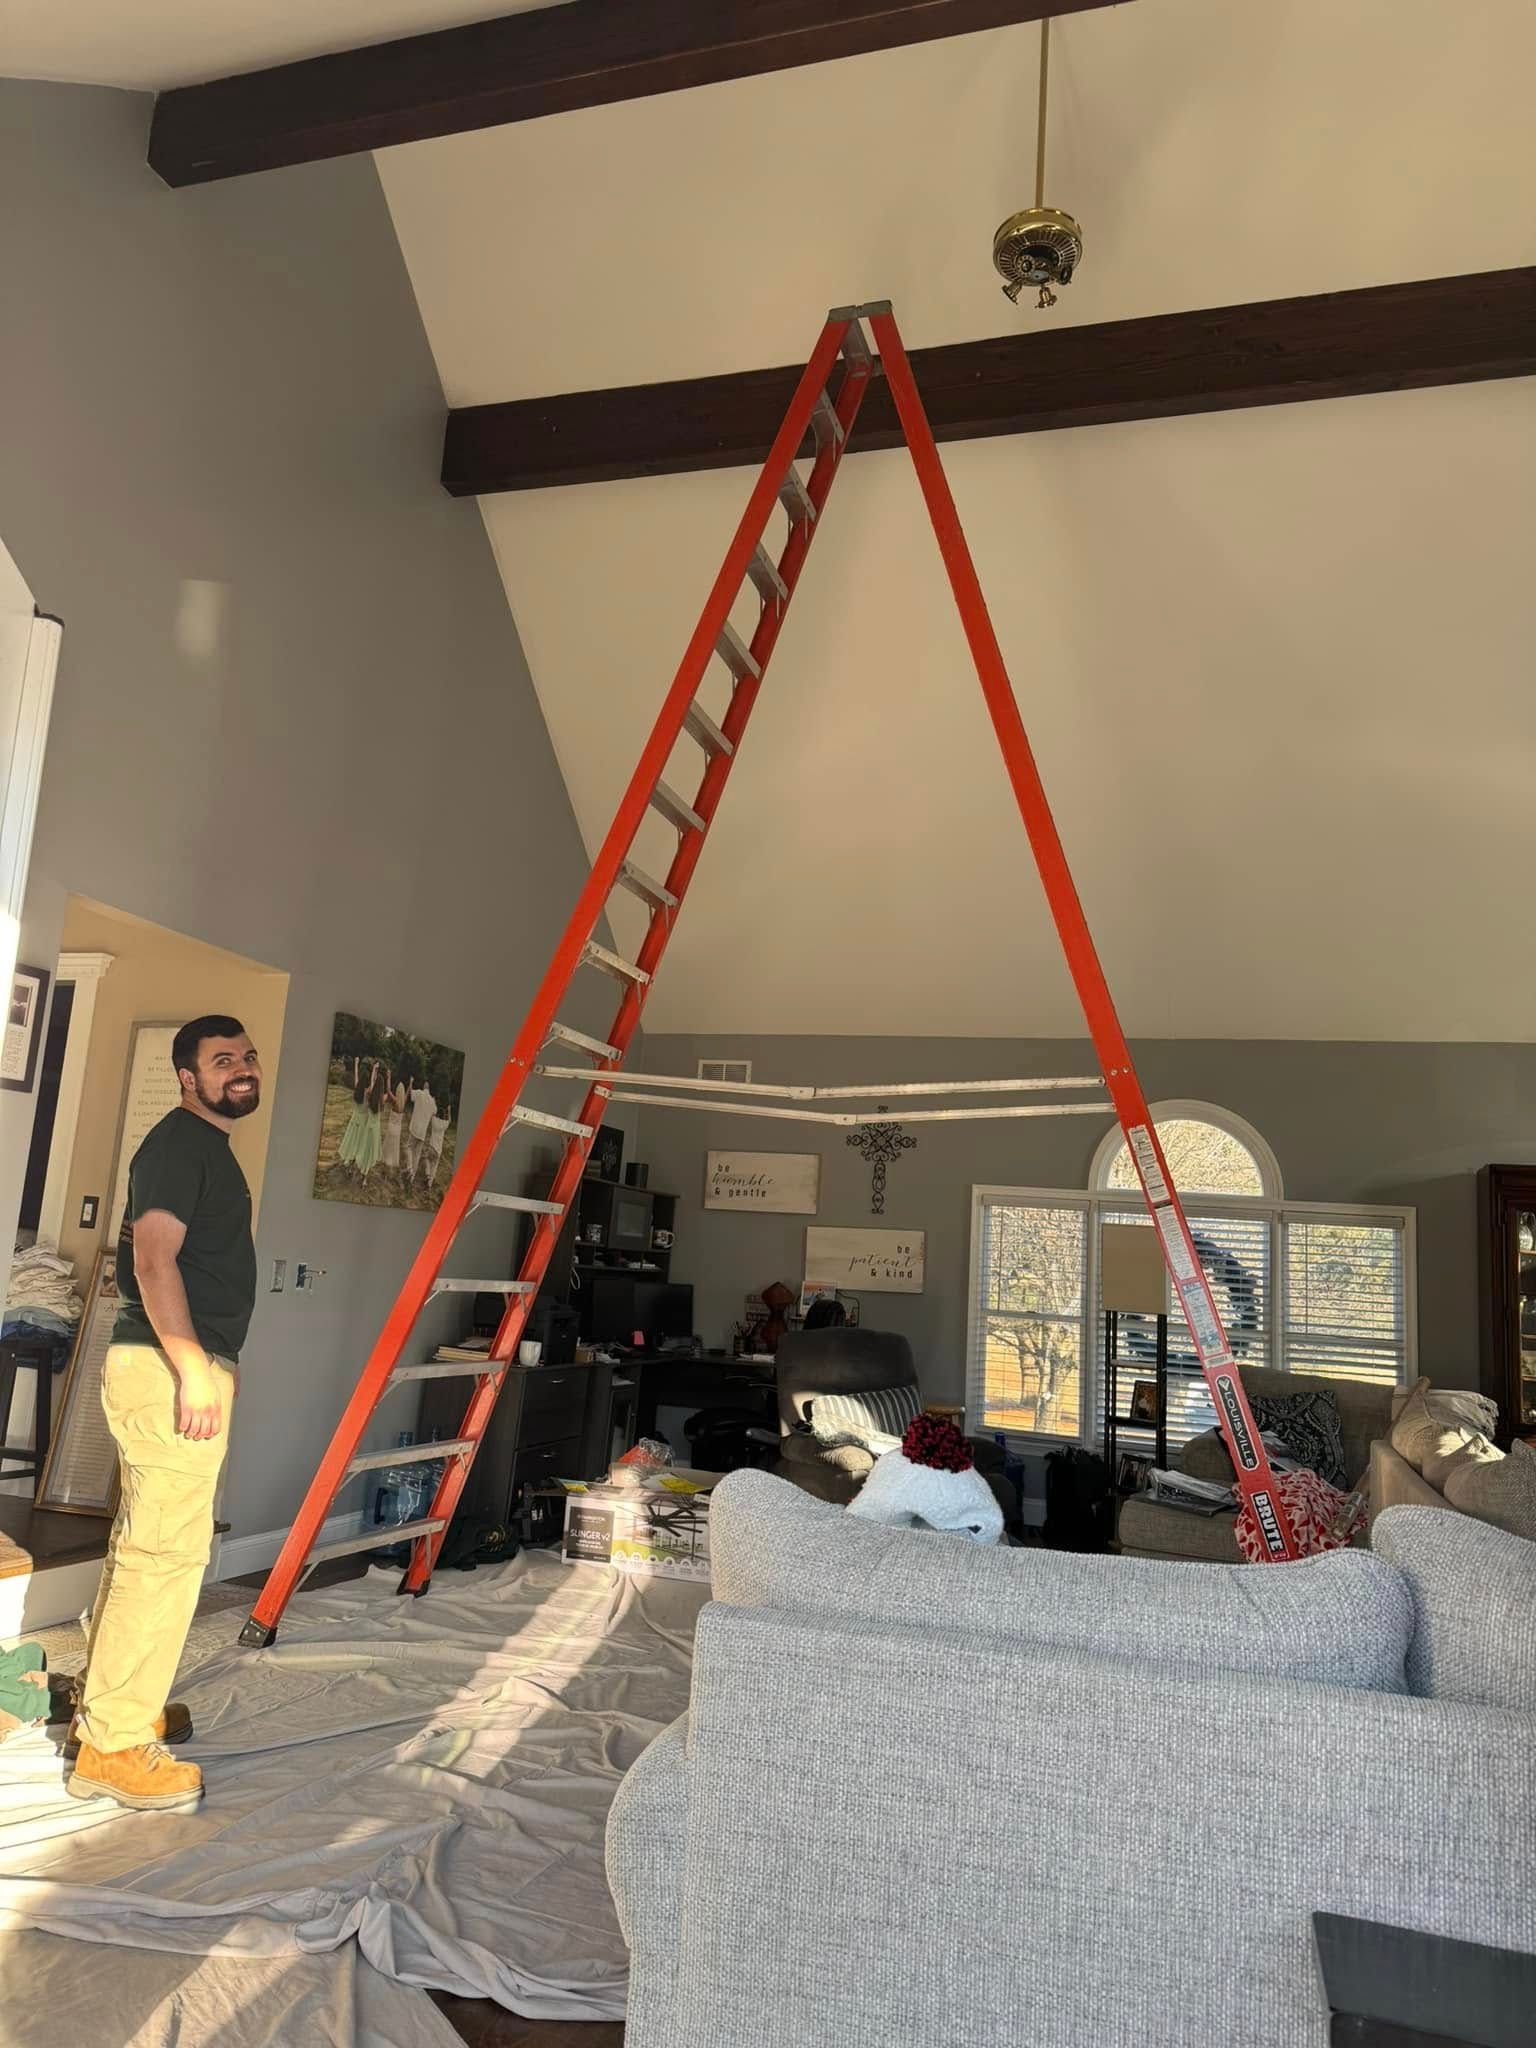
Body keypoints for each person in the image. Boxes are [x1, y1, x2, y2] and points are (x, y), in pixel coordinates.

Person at [67, 1015, 260, 1812]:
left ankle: (113, 1708)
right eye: (223, 1060)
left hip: (172, 1364)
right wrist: (192, 1370)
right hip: (167, 1365)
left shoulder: (204, 1147)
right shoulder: (181, 1144)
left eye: (247, 1056)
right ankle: (113, 1747)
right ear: (189, 1077)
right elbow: (151, 1261)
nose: (241, 1068)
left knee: (145, 1547)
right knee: (165, 1556)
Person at [336, 1055, 384, 1181]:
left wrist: (356, 1064)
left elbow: (357, 1076)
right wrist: (375, 1070)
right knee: (358, 1147)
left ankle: (348, 1166)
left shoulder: (358, 1088)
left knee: (351, 1144)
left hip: (353, 1122)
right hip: (362, 1125)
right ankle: (357, 1170)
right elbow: (373, 1084)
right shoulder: (368, 1093)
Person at [404, 1074, 436, 1185]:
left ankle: (409, 1169)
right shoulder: (432, 1101)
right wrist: (433, 1100)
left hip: (415, 1128)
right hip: (422, 1132)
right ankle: (412, 1177)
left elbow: (410, 1094)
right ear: (429, 1089)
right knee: (417, 1154)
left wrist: (411, 1082)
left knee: (409, 1147)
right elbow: (435, 1111)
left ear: (424, 1087)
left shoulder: (419, 1093)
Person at [380, 1068, 406, 1180]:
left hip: (391, 1128)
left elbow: (388, 1089)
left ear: (398, 1091)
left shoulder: (395, 1101)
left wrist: (389, 1076)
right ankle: (388, 1172)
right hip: (398, 1131)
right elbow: (408, 1092)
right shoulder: (403, 1103)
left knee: (387, 1150)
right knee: (393, 1151)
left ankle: (385, 1173)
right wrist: (410, 1085)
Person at [422, 1094, 451, 1193]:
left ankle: (427, 1175)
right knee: (434, 1167)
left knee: (427, 1159)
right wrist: (449, 1111)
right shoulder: (444, 1124)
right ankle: (429, 1184)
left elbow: (432, 1114)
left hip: (431, 1147)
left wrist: (433, 1103)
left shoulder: (434, 1121)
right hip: (438, 1150)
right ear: (444, 1116)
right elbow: (449, 1121)